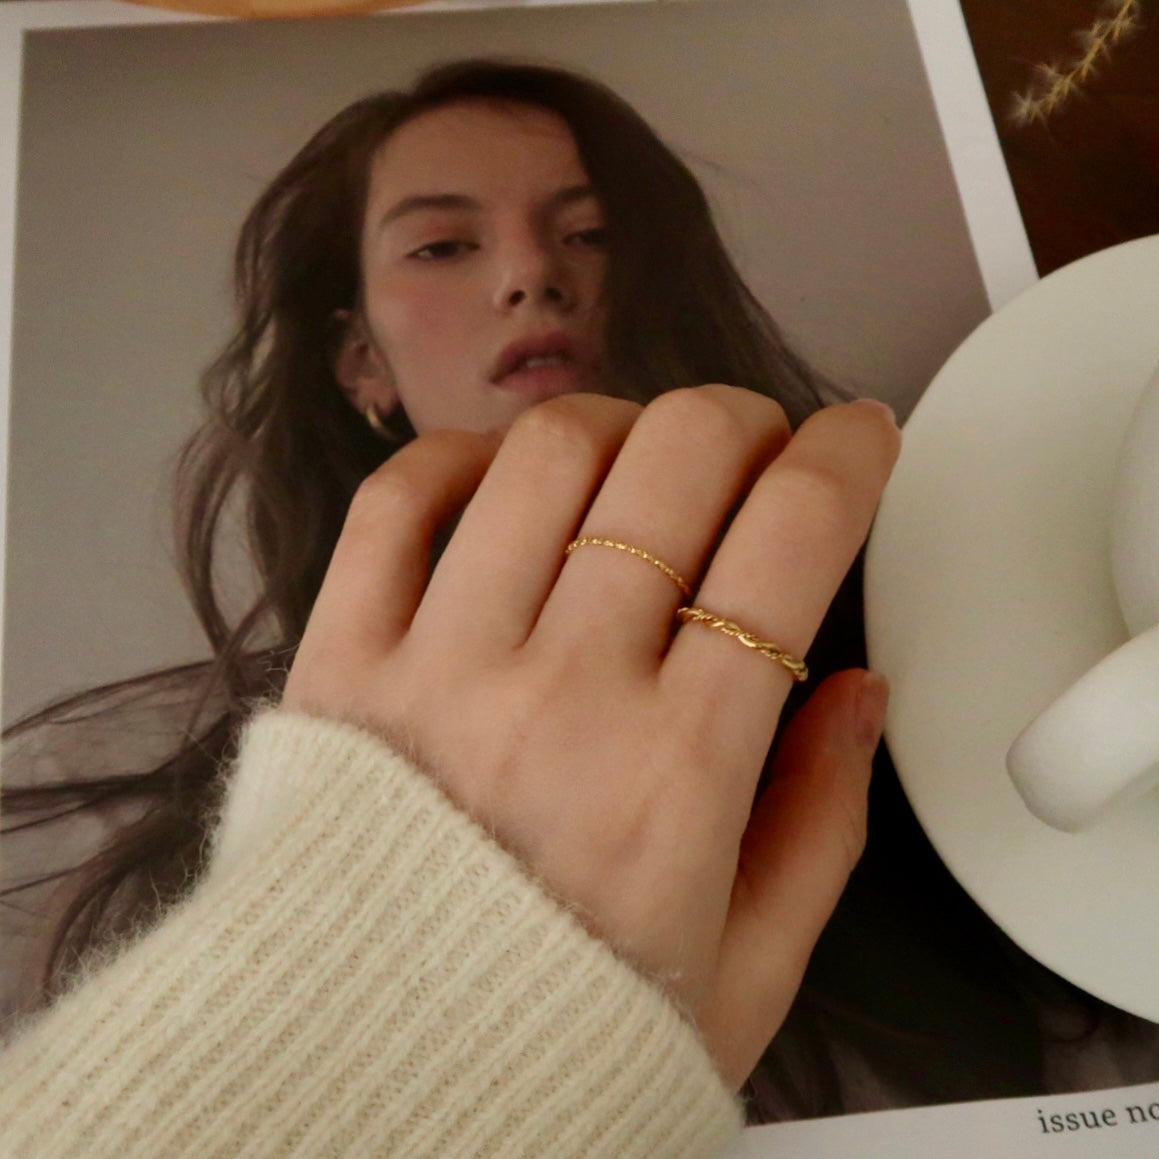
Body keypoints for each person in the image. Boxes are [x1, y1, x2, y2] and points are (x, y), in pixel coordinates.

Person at [0, 58, 1153, 1149]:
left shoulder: (948, 656)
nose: (528, 274)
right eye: (444, 245)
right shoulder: (85, 784)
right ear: (359, 361)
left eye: (590, 233)